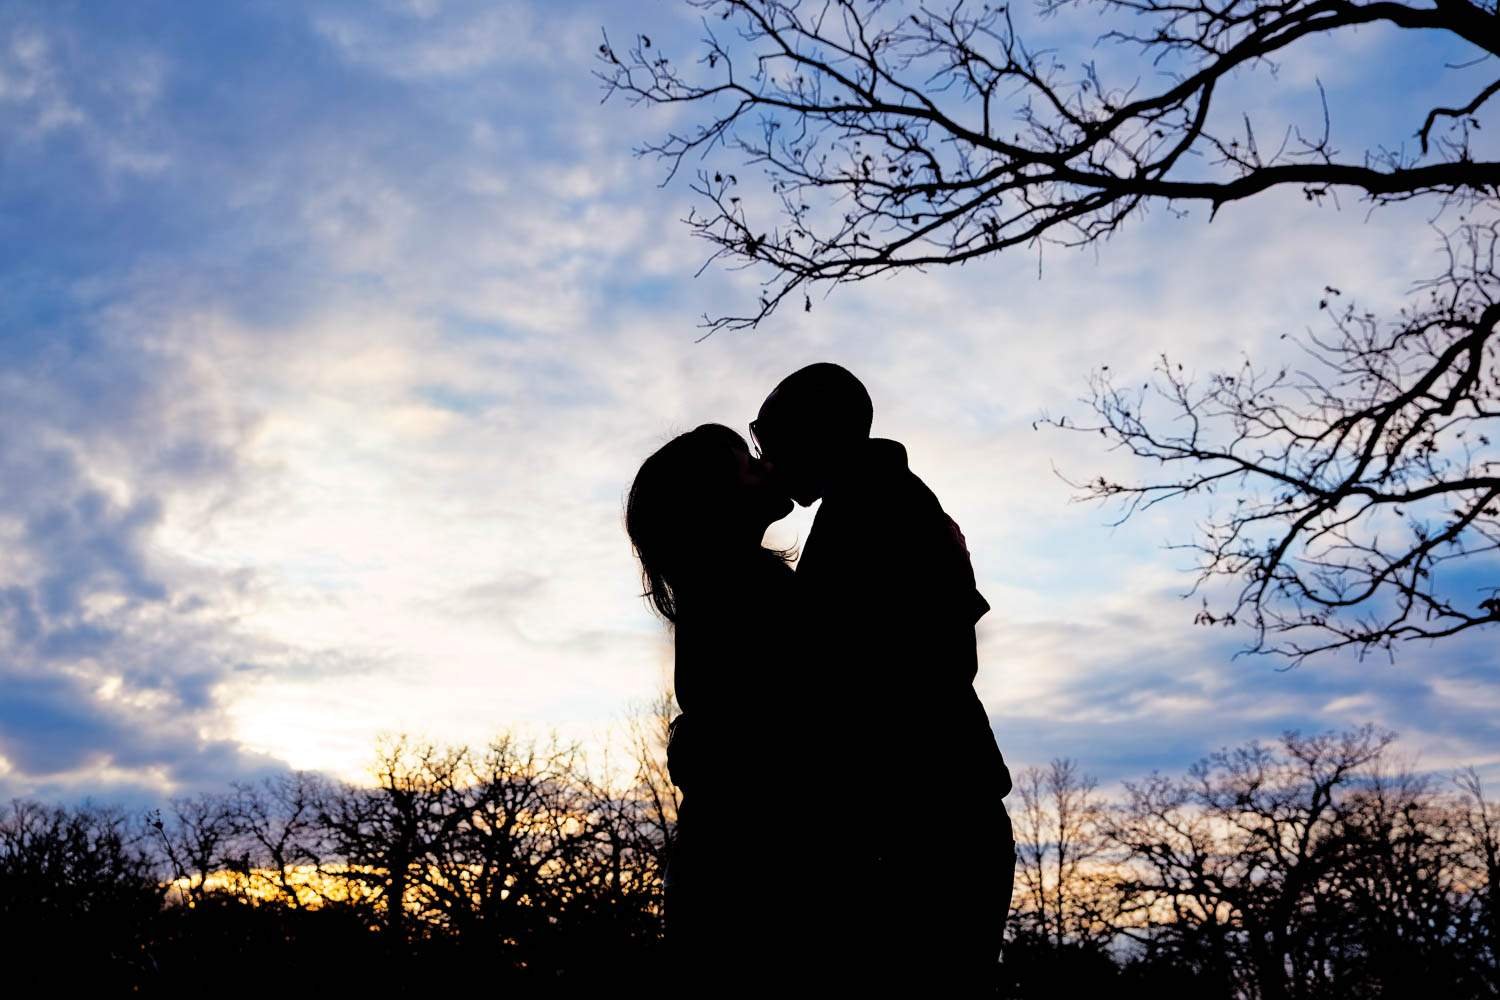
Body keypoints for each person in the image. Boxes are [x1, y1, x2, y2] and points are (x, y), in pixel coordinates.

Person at [751, 362, 1016, 995]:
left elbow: (861, 674)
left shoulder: (873, 506)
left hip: (926, 828)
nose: (764, 458)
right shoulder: (877, 499)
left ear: (815, 434)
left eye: (768, 438)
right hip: (935, 818)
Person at [625, 423, 817, 989]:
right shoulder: (743, 590)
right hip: (752, 878)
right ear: (713, 500)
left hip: (730, 868)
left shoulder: (726, 587)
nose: (767, 466)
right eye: (747, 465)